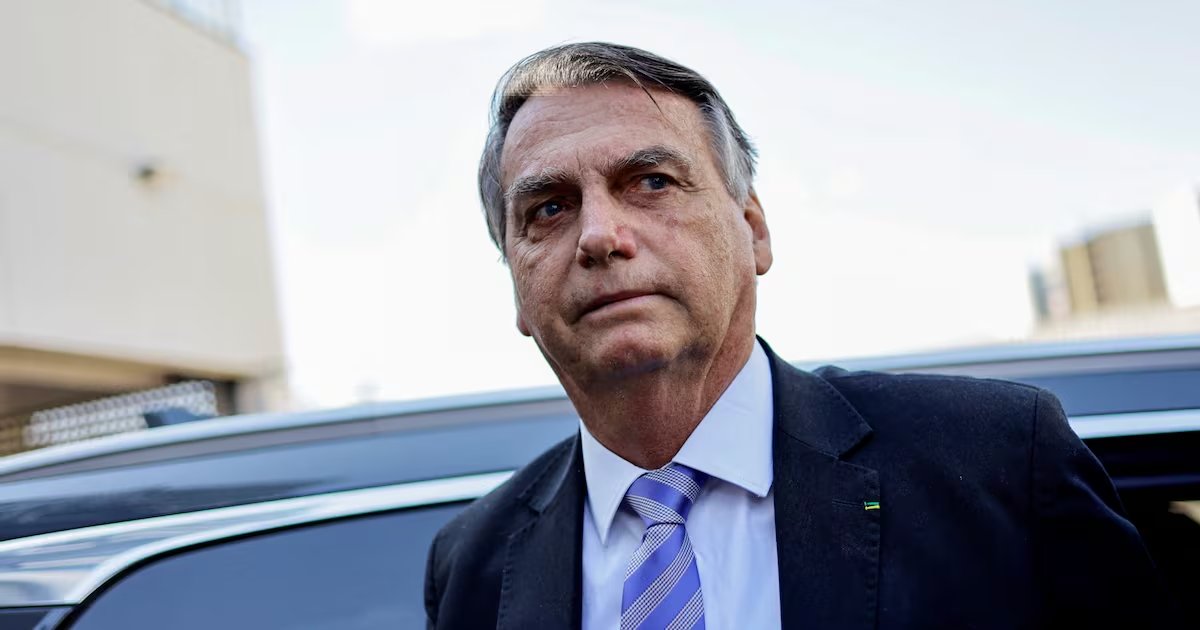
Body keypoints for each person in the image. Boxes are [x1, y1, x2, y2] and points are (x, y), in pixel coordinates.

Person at [424, 42, 1175, 629]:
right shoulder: (473, 566)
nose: (599, 235)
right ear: (517, 288)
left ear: (753, 229)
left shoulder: (997, 461)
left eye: (651, 182)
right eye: (549, 209)